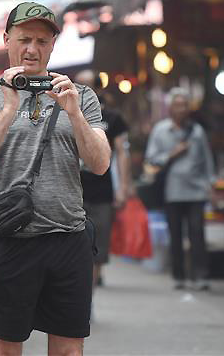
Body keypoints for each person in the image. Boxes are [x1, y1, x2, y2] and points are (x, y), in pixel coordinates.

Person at [0, 2, 110, 356]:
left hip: (68, 238)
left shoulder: (81, 96)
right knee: (3, 349)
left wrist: (74, 114)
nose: (32, 48)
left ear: (53, 44)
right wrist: (9, 109)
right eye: (24, 38)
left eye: (42, 41)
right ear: (6, 39)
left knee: (69, 350)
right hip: (12, 240)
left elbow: (101, 163)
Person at [145, 88, 216, 291]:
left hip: (196, 190)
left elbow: (207, 160)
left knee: (197, 233)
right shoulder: (160, 130)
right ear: (170, 108)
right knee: (175, 234)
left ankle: (200, 275)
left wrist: (210, 184)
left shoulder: (197, 131)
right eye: (177, 105)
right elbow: (151, 159)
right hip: (172, 191)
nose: (181, 109)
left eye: (185, 105)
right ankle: (179, 275)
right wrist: (171, 155)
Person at [74, 70, 130, 291]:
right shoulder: (64, 114)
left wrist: (124, 187)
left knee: (98, 244)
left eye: (88, 86)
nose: (83, 91)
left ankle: (89, 297)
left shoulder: (113, 118)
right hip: (71, 191)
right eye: (79, 85)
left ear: (98, 88)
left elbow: (123, 153)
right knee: (73, 246)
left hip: (102, 192)